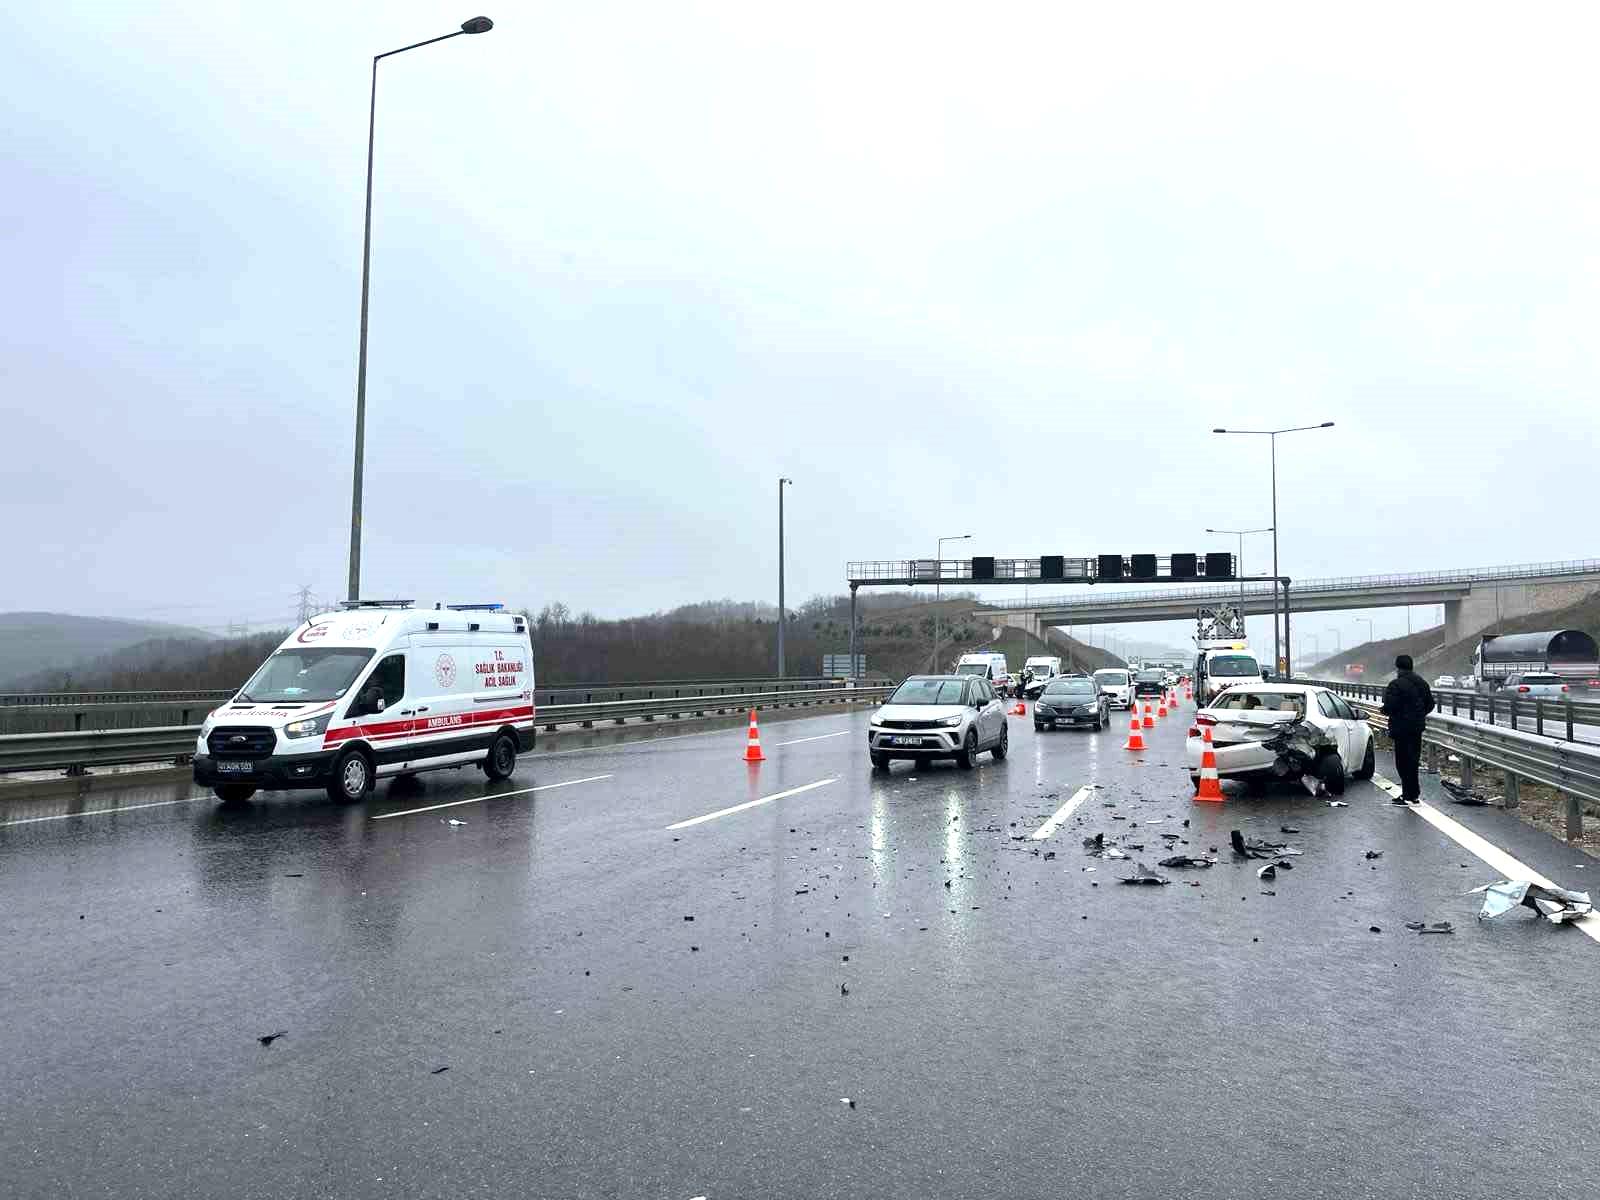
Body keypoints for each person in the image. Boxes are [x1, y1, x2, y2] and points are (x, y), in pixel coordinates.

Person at [1381, 653, 1435, 805]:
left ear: (1398, 668)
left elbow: (1390, 706)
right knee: (1413, 761)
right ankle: (1413, 794)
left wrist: (1384, 711)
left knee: (1402, 762)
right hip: (1416, 728)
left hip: (1401, 729)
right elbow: (1430, 704)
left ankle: (1407, 794)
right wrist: (1418, 715)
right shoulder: (1422, 683)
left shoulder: (1396, 685)